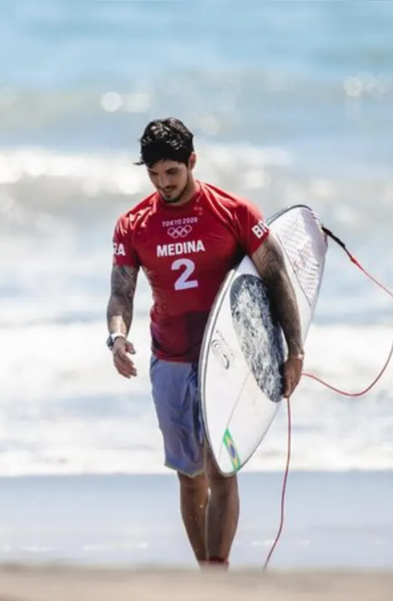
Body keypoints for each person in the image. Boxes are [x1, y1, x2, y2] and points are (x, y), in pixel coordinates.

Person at [105, 118, 304, 570]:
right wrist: (117, 336)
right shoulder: (133, 225)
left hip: (227, 360)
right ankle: (205, 574)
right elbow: (121, 293)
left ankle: (218, 569)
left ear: (192, 162)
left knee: (220, 469)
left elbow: (275, 278)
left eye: (172, 172)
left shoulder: (234, 212)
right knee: (188, 475)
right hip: (170, 358)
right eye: (154, 175)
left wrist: (294, 350)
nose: (163, 184)